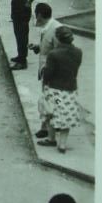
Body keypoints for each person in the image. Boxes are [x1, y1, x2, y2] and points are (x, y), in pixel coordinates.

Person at [38, 25, 83, 153]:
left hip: (54, 89)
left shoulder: (53, 54)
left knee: (50, 114)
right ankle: (62, 144)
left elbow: (48, 73)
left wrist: (43, 71)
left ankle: (51, 139)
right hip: (70, 89)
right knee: (67, 117)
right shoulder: (78, 52)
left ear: (58, 39)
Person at [29, 2, 61, 138]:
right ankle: (47, 126)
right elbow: (49, 47)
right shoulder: (48, 27)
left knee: (49, 101)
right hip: (46, 71)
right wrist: (38, 47)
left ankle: (48, 129)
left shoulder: (56, 29)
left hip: (52, 72)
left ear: (40, 15)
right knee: (47, 100)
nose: (35, 18)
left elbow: (60, 52)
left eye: (36, 14)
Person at [8, 0, 39, 70]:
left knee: (21, 36)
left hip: (22, 12)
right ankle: (20, 56)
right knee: (18, 35)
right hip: (17, 11)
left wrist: (29, 1)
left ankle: (22, 61)